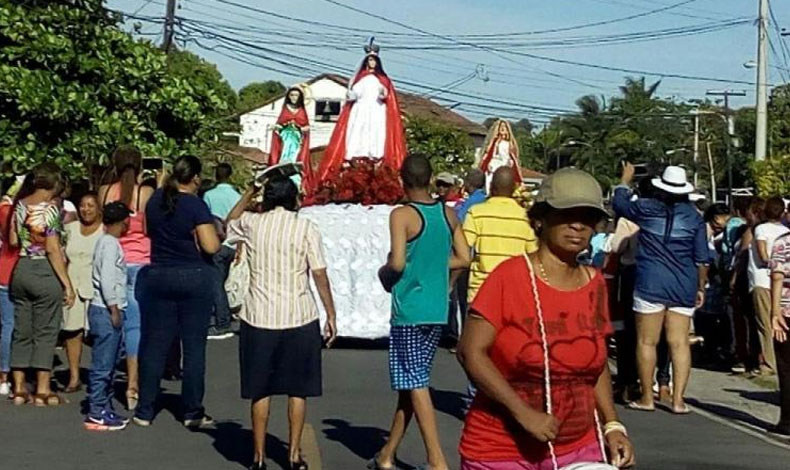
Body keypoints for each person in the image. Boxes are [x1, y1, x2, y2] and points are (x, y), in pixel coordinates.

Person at [457, 168, 635, 470]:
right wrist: (522, 412)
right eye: (567, 215)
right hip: (501, 450)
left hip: (579, 447)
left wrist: (613, 425)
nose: (578, 225)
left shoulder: (594, 284)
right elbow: (470, 352)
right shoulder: (509, 278)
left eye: (588, 218)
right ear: (540, 219)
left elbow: (597, 364)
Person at [225, 174, 338, 470]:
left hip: (259, 316)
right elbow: (319, 274)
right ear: (294, 200)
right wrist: (331, 313)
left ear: (267, 199)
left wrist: (250, 189)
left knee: (260, 390)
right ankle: (292, 454)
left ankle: (259, 457)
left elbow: (228, 222)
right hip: (299, 315)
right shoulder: (305, 228)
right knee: (297, 389)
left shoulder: (252, 224)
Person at [371, 155, 470, 470]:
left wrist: (385, 274)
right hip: (436, 309)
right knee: (411, 382)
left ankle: (436, 459)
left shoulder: (402, 215)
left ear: (402, 180)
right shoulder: (448, 213)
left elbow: (398, 263)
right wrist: (433, 267)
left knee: (415, 382)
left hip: (409, 309)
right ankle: (387, 454)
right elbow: (464, 257)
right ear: (430, 179)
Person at [613, 164, 709, 414]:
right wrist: (700, 286)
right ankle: (678, 400)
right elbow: (701, 257)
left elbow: (620, 205)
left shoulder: (646, 209)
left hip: (650, 281)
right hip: (684, 283)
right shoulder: (694, 218)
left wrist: (625, 181)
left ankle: (647, 397)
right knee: (679, 343)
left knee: (647, 341)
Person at [133, 155, 221, 428]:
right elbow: (211, 247)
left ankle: (144, 410)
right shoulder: (195, 205)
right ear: (195, 178)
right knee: (193, 348)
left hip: (159, 274)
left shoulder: (156, 201)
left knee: (154, 345)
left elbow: (148, 232)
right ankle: (192, 411)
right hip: (193, 275)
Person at [9, 163, 75, 406]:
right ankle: (43, 389)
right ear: (54, 184)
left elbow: (15, 240)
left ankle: (18, 388)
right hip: (44, 271)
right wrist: (67, 283)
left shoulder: (21, 204)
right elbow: (52, 248)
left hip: (22, 268)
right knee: (46, 331)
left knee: (22, 329)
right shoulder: (50, 209)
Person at [99, 145, 153, 411]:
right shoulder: (145, 194)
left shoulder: (105, 191)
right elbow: (149, 228)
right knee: (137, 326)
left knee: (114, 323)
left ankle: (106, 379)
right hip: (142, 262)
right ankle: (133, 383)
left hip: (115, 259)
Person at [312, 41, 407, 190]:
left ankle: (375, 161)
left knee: (376, 135)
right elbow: (354, 93)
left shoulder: (383, 79)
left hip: (377, 111)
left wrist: (384, 94)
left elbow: (387, 96)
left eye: (374, 60)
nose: (372, 63)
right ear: (366, 61)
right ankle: (356, 161)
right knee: (357, 134)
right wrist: (352, 95)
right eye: (370, 60)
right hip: (360, 110)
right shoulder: (358, 78)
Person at [84, 202, 132, 431]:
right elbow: (107, 278)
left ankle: (104, 405)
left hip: (106, 308)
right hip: (105, 309)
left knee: (111, 361)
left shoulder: (106, 242)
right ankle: (96, 411)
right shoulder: (110, 244)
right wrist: (113, 308)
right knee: (104, 364)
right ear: (123, 221)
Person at [463, 167, 538, 304]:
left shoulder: (476, 213)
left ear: (491, 187)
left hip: (480, 291)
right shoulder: (526, 217)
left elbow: (464, 248)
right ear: (514, 188)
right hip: (514, 292)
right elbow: (533, 257)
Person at [62, 192, 104, 393]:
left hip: (95, 286)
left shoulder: (105, 232)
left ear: (99, 208)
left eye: (90, 205)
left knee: (98, 333)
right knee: (72, 331)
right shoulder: (69, 229)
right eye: (82, 205)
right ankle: (74, 376)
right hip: (72, 284)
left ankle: (100, 376)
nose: (86, 209)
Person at [748, 196, 789, 375]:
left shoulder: (761, 229)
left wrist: (774, 265)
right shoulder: (785, 231)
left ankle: (768, 364)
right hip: (782, 288)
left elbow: (763, 253)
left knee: (765, 324)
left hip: (763, 280)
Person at [202, 163, 241, 340]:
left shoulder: (209, 195)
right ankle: (224, 314)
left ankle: (222, 322)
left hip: (216, 243)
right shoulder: (237, 196)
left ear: (216, 175)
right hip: (234, 244)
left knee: (216, 283)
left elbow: (203, 219)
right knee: (224, 281)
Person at [730, 197, 765, 374]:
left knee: (747, 320)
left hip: (747, 279)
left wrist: (734, 277)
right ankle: (754, 357)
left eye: (749, 212)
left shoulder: (751, 232)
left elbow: (742, 257)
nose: (746, 215)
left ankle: (749, 357)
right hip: (756, 279)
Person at [268, 85, 314, 189]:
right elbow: (280, 123)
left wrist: (302, 128)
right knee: (284, 155)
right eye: (292, 95)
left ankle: (295, 178)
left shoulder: (302, 110)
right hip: (285, 137)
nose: (294, 97)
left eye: (296, 95)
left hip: (297, 139)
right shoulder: (285, 109)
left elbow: (306, 125)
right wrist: (277, 127)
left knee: (295, 155)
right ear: (288, 96)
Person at [0, 176, 21, 396]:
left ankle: (6, 374)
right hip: (13, 268)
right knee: (12, 325)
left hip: (5, 269)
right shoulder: (9, 211)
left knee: (9, 324)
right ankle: (7, 373)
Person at [770, 229, 790, 436]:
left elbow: (777, 277)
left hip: (786, 310)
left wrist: (774, 312)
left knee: (786, 367)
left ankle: (787, 420)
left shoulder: (782, 243)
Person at [479, 119, 522, 186]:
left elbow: (513, 157)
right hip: (494, 165)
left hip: (505, 165)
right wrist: (489, 164)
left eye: (504, 127)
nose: (502, 128)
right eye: (501, 126)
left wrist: (510, 162)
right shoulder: (494, 142)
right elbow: (489, 154)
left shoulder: (510, 143)